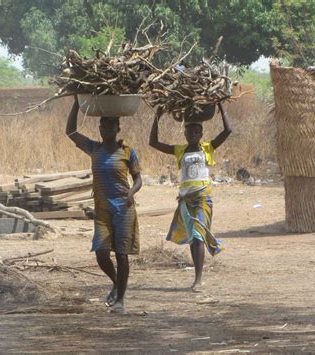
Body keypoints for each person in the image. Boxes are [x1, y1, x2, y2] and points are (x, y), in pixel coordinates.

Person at [66, 96, 142, 314]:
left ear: (118, 128)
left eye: (111, 125)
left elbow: (138, 178)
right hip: (102, 209)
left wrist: (132, 191)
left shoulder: (127, 151)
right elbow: (70, 132)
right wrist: (75, 100)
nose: (106, 128)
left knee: (121, 254)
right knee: (101, 252)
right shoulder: (93, 148)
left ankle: (121, 300)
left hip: (124, 208)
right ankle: (117, 282)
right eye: (103, 124)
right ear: (99, 127)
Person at [149, 102, 232, 292]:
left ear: (201, 133)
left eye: (197, 131)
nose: (193, 134)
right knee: (194, 240)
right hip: (186, 201)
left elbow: (228, 130)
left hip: (203, 198)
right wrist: (157, 115)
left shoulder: (208, 148)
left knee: (198, 236)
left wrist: (220, 105)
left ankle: (198, 279)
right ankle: (197, 276)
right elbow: (152, 142)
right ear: (185, 134)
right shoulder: (179, 150)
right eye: (190, 131)